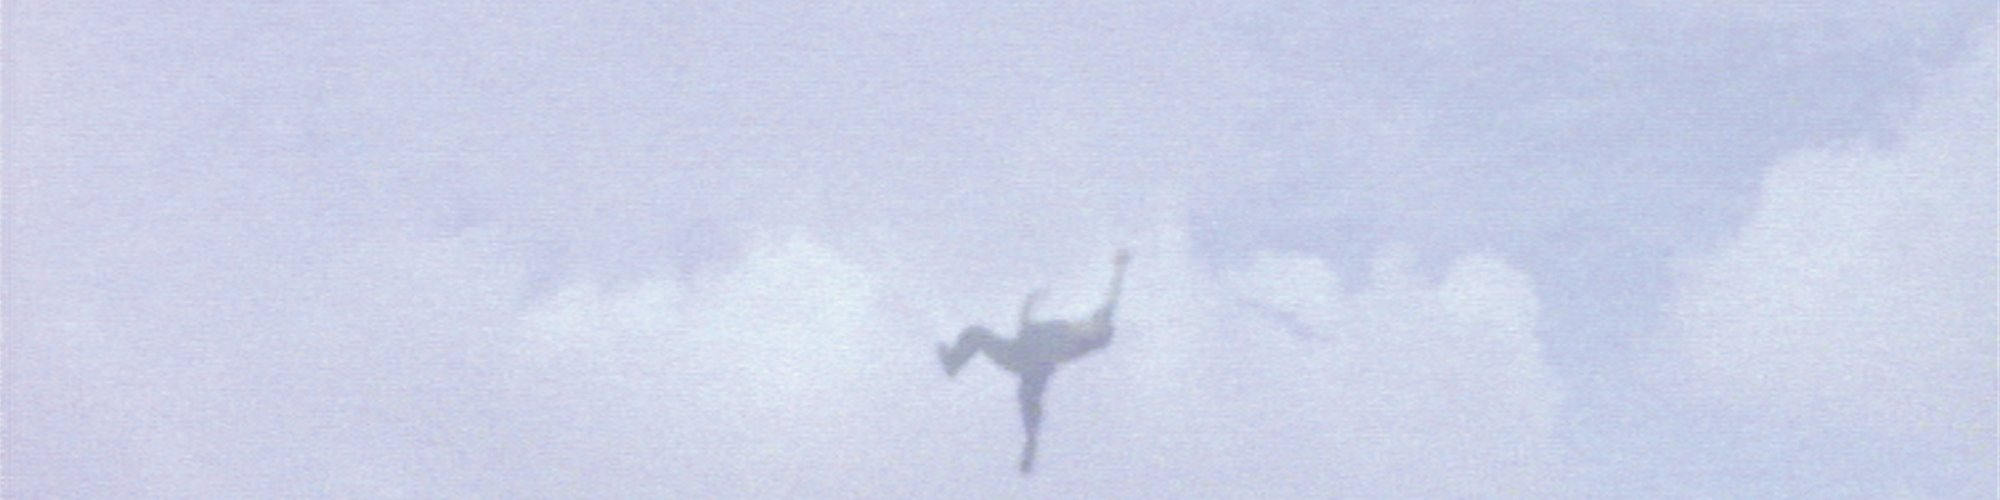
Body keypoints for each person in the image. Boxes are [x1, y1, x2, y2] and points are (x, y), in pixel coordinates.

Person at [938, 249, 1131, 474]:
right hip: (1016, 351)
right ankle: (953, 363)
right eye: (1092, 322)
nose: (1088, 323)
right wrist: (1120, 268)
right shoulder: (1071, 327)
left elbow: (1031, 336)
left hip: (1032, 366)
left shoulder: (1073, 344)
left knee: (1029, 404)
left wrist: (1029, 306)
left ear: (1093, 338)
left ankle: (1030, 449)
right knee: (975, 333)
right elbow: (1111, 300)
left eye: (1093, 328)